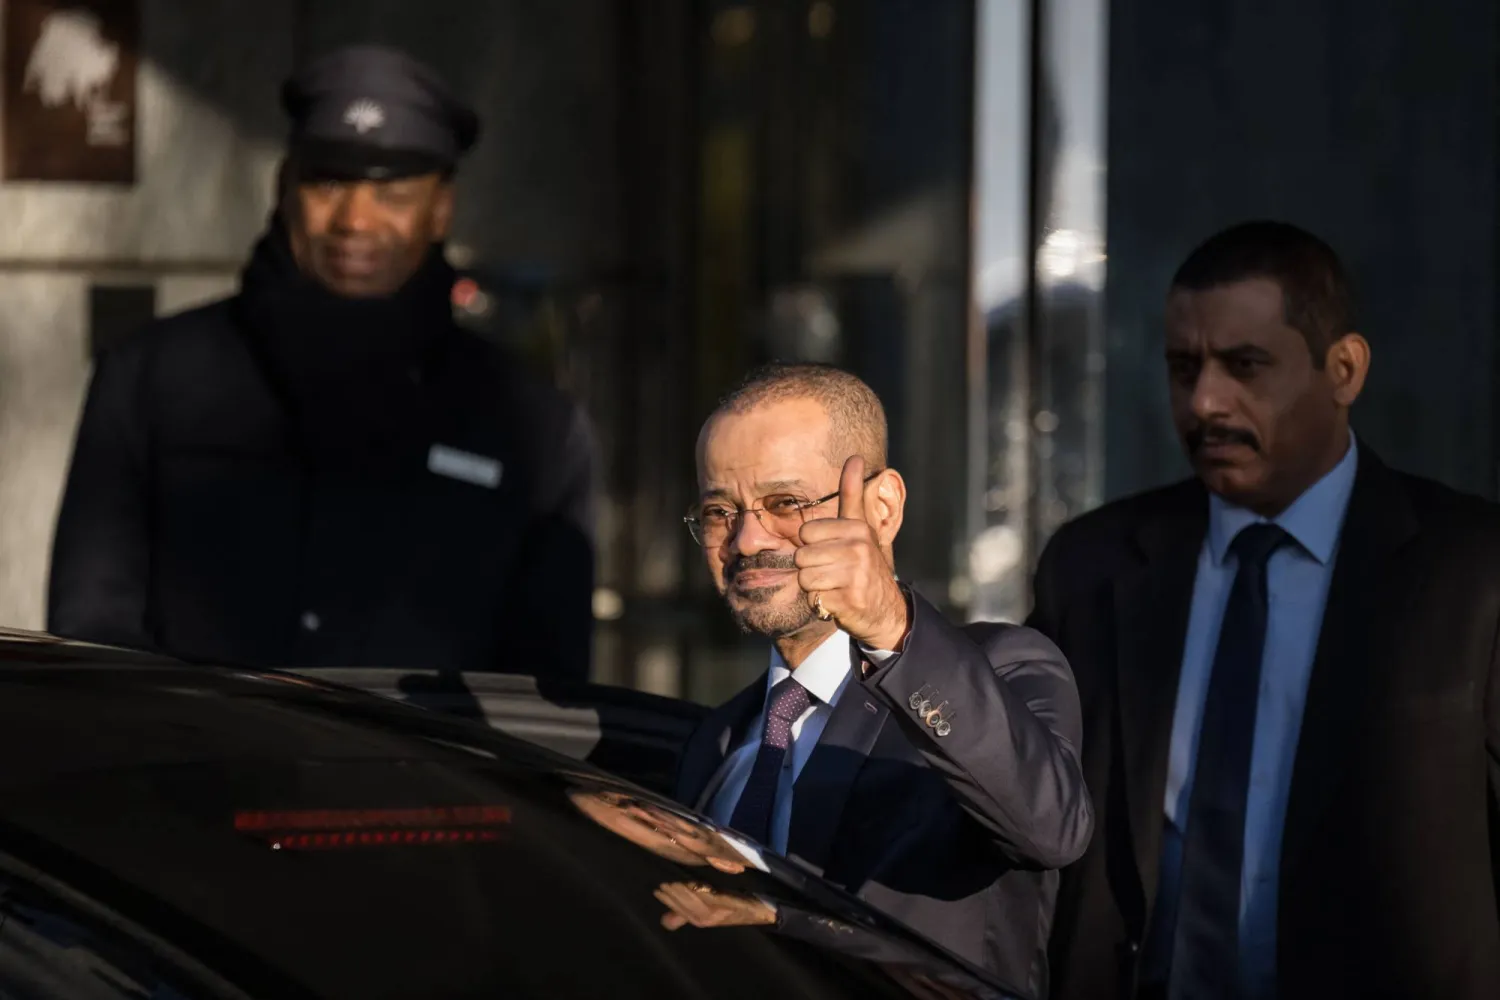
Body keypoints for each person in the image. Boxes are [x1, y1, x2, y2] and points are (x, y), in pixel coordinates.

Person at [1034, 221, 1500, 1000]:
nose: (1206, 401)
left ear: (1344, 369)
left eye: (1245, 366)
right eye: (1184, 369)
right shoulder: (1093, 566)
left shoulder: (1473, 573)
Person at [47, 45, 595, 680]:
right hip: (188, 771)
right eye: (328, 181)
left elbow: (550, 694)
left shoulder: (532, 428)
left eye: (392, 191)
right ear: (284, 187)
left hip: (429, 781)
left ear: (441, 208)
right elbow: (92, 640)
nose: (355, 220)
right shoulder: (150, 378)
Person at [672, 363, 1093, 996]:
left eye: (785, 503)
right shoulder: (721, 739)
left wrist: (892, 628)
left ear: (883, 507)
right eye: (718, 511)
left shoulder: (1001, 668)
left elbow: (1052, 826)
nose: (747, 538)